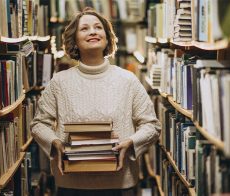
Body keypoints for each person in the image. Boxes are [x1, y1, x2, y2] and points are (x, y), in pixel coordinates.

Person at [30, 7, 161, 196]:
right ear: (74, 41)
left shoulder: (128, 80)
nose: (93, 31)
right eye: (84, 29)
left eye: (98, 27)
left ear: (107, 37)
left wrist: (131, 143)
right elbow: (39, 124)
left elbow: (152, 126)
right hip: (71, 184)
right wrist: (55, 142)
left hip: (119, 183)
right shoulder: (59, 81)